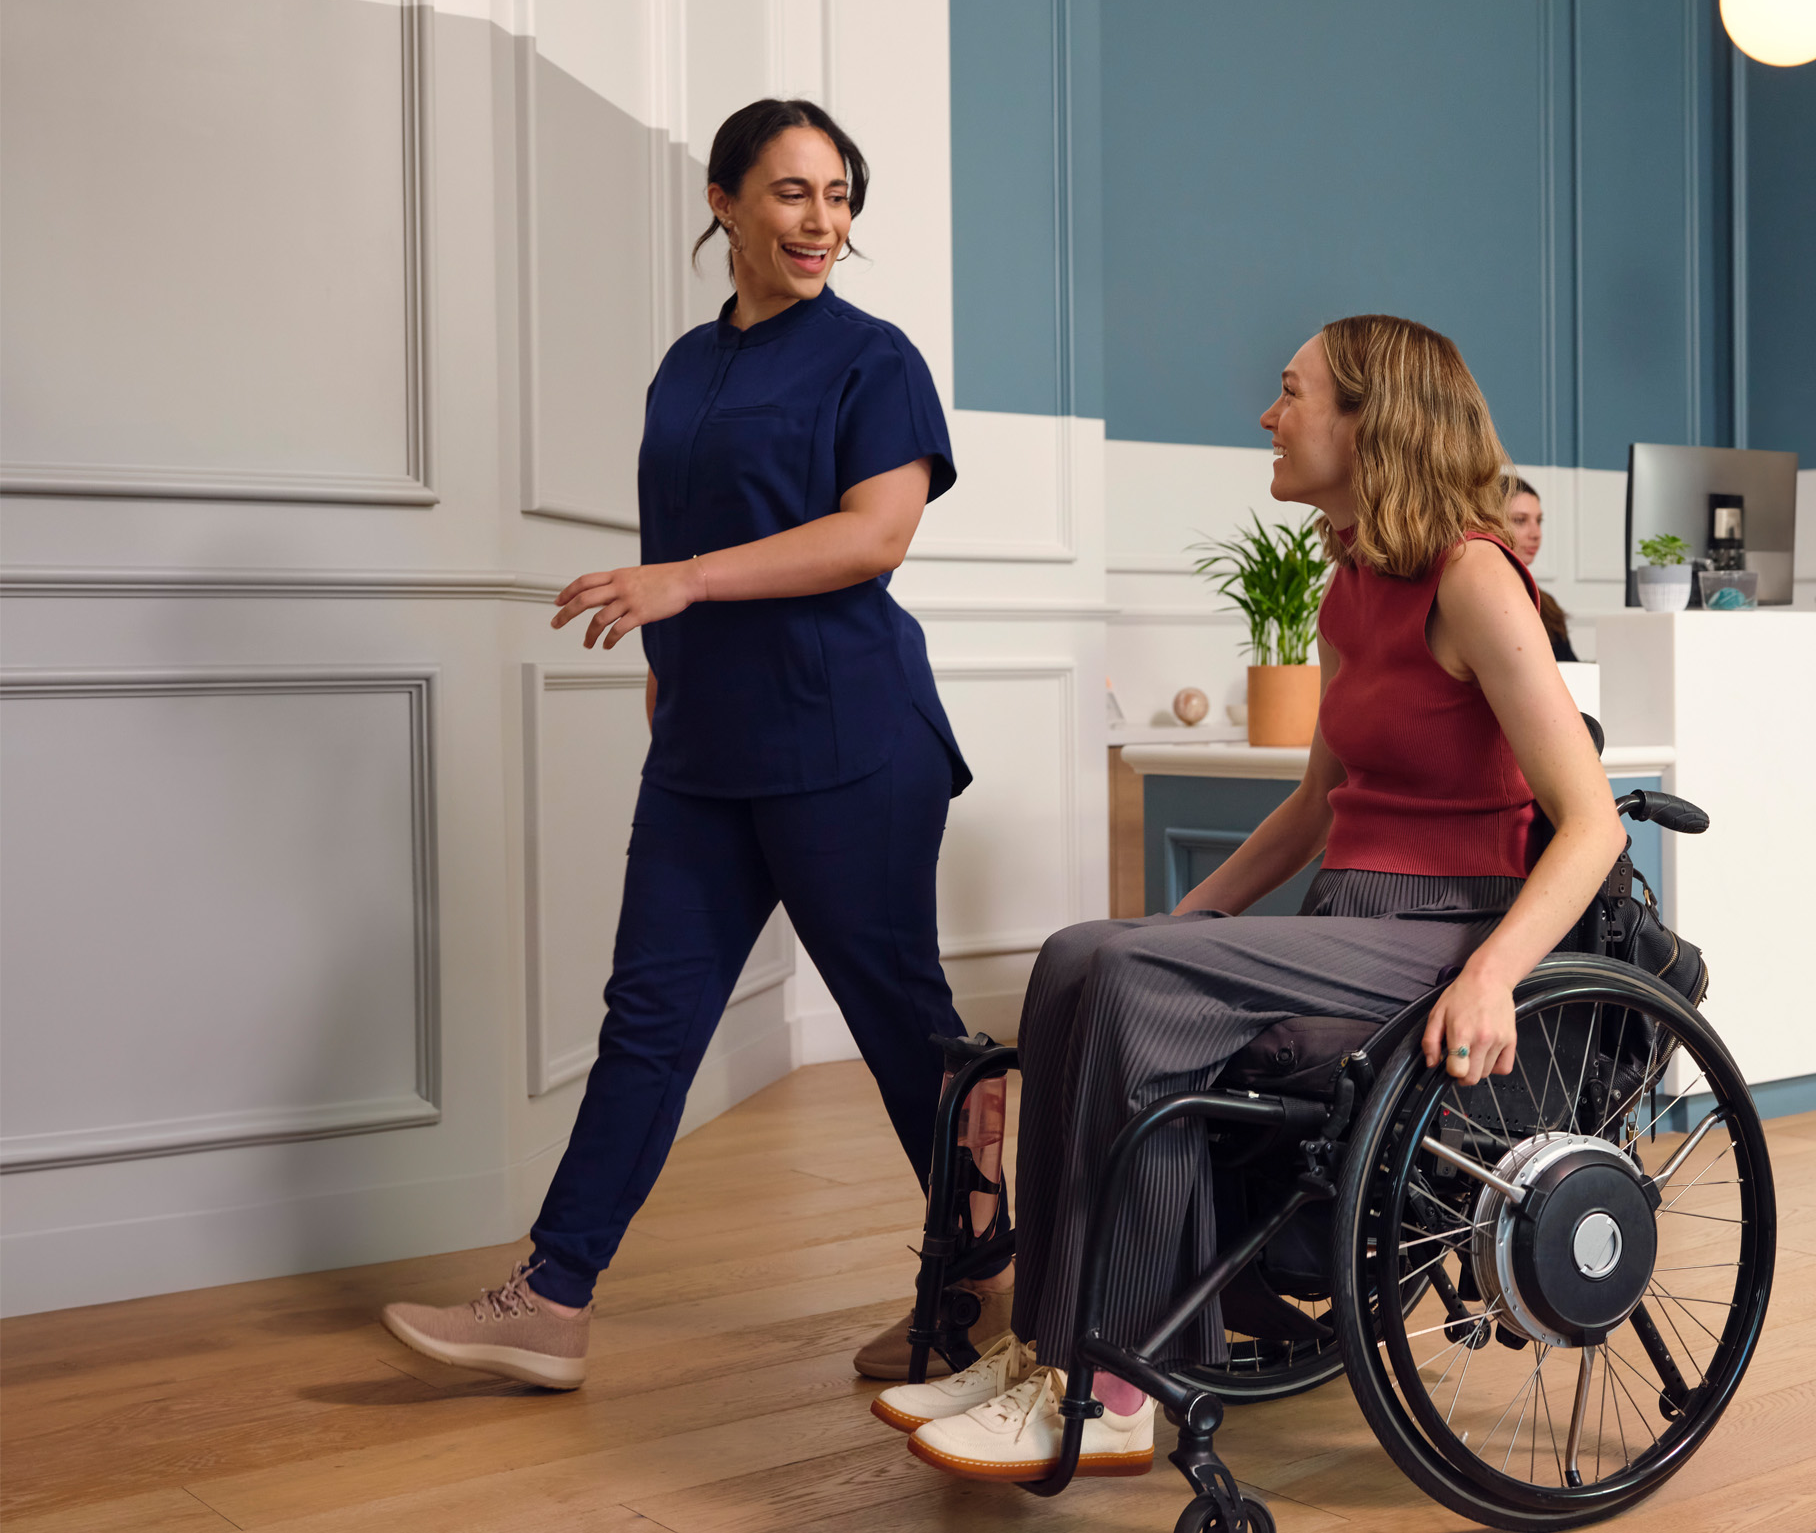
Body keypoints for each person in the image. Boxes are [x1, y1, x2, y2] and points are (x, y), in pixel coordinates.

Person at [872, 316, 1625, 1481]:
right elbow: (1317, 806)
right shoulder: (1350, 586)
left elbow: (1591, 822)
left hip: (1445, 924)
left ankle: (1114, 1383)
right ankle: (1052, 1344)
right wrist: (1190, 918)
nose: (1267, 417)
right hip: (1349, 914)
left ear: (1372, 421)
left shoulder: (1473, 578)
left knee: (1124, 978)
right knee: (1085, 953)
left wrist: (1489, 974)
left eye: (1290, 393)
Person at [379, 98, 1004, 1391]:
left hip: (850, 741)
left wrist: (688, 589)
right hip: (708, 750)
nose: (821, 221)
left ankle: (987, 1275)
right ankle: (551, 1296)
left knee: (903, 1031)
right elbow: (681, 532)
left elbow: (874, 536)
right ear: (722, 202)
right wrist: (671, 664)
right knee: (648, 1024)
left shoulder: (872, 359)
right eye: (791, 193)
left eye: (838, 196)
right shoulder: (683, 365)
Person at [1505, 476, 1577, 661]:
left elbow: (1572, 672)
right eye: (1520, 520)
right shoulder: (1475, 598)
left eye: (1539, 521)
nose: (1536, 533)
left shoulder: (1547, 605)